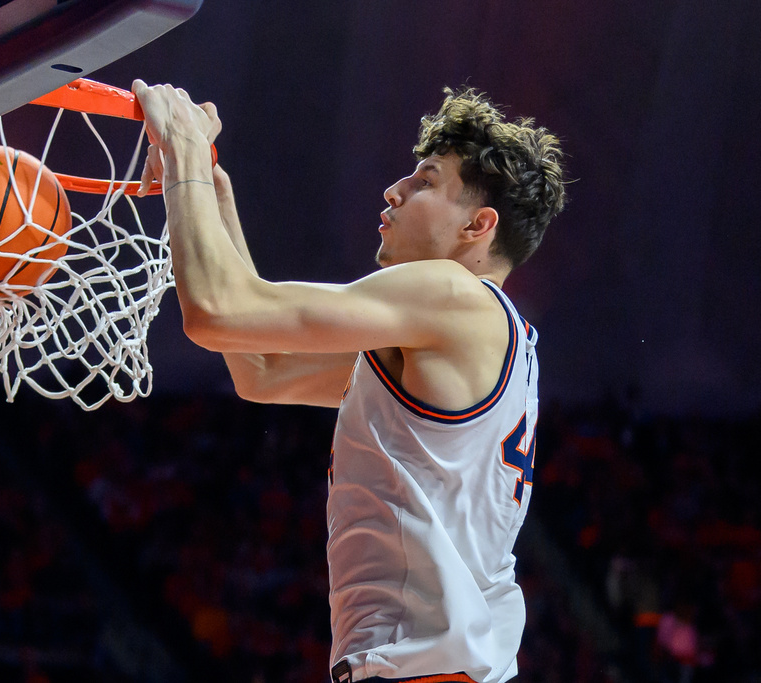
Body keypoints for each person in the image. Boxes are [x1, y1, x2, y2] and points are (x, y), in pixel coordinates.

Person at [132, 79, 567, 683]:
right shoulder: (473, 337)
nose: (394, 191)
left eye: (426, 181)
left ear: (478, 225)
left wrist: (182, 151)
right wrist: (214, 193)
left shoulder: (448, 293)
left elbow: (216, 310)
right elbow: (263, 369)